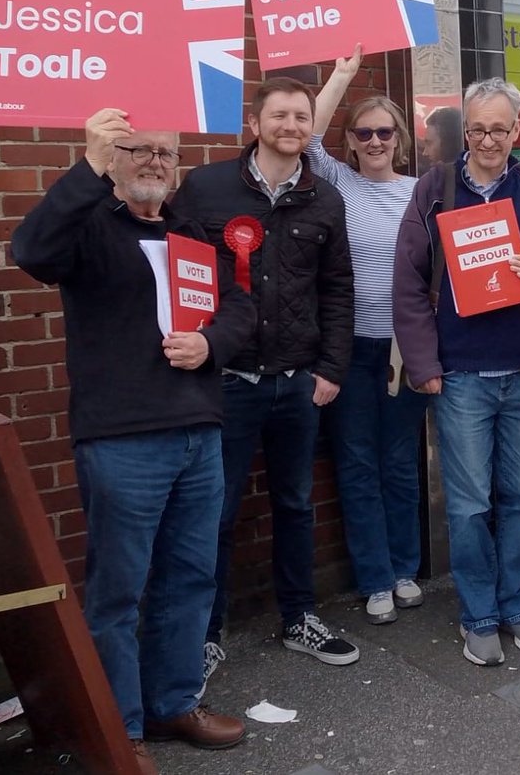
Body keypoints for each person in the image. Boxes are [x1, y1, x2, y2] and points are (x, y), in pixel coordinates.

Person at [12, 109, 255, 773]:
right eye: (138, 150)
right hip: (122, 441)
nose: (154, 161)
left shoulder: (189, 232)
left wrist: (210, 343)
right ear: (113, 159)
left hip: (198, 435)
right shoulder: (85, 230)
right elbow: (30, 250)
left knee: (189, 580)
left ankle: (173, 702)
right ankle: (119, 730)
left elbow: (238, 307)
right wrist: (87, 166)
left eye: (166, 154)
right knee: (119, 592)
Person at [171, 77, 358, 695]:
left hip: (297, 381)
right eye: (279, 115)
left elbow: (336, 290)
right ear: (256, 123)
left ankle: (298, 616)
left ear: (311, 126)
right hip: (224, 381)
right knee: (215, 513)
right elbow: (179, 276)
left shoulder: (325, 199)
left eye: (301, 117)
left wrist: (331, 369)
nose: (291, 125)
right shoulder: (205, 189)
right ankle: (205, 632)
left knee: (296, 504)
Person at [393, 77, 520, 666]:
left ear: (516, 130)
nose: (488, 139)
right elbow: (409, 285)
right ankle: (479, 614)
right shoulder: (433, 189)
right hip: (462, 373)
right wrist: (423, 364)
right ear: (463, 130)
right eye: (477, 128)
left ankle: (516, 603)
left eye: (500, 128)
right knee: (469, 503)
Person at [307, 46, 430, 625]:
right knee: (357, 463)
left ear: (398, 137)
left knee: (401, 462)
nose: (376, 141)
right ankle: (375, 578)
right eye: (365, 133)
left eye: (385, 132)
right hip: (350, 348)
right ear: (351, 141)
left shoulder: (420, 191)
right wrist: (343, 73)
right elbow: (307, 138)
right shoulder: (336, 183)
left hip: (404, 350)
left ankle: (405, 568)